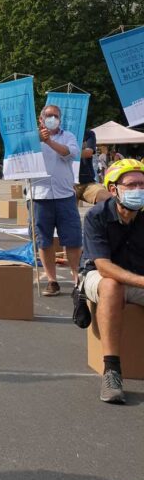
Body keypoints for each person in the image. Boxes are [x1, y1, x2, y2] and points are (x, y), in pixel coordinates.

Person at [80, 159, 144, 404]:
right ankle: (112, 371)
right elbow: (103, 266)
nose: (139, 189)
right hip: (98, 276)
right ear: (114, 188)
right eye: (132, 184)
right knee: (111, 285)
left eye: (142, 184)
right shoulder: (96, 216)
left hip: (136, 278)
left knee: (118, 284)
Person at [29, 104, 83, 296]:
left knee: (73, 238)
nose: (53, 118)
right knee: (43, 240)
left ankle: (77, 278)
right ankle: (52, 280)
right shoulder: (31, 138)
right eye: (49, 115)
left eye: (56, 116)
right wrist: (37, 139)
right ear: (41, 118)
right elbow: (19, 154)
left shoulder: (68, 136)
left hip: (65, 195)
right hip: (39, 195)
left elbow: (71, 153)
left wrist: (49, 141)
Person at [75, 128, 98, 204]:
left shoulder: (88, 133)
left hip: (87, 181)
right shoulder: (60, 133)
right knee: (69, 214)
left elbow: (89, 153)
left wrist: (67, 152)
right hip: (67, 182)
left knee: (107, 199)